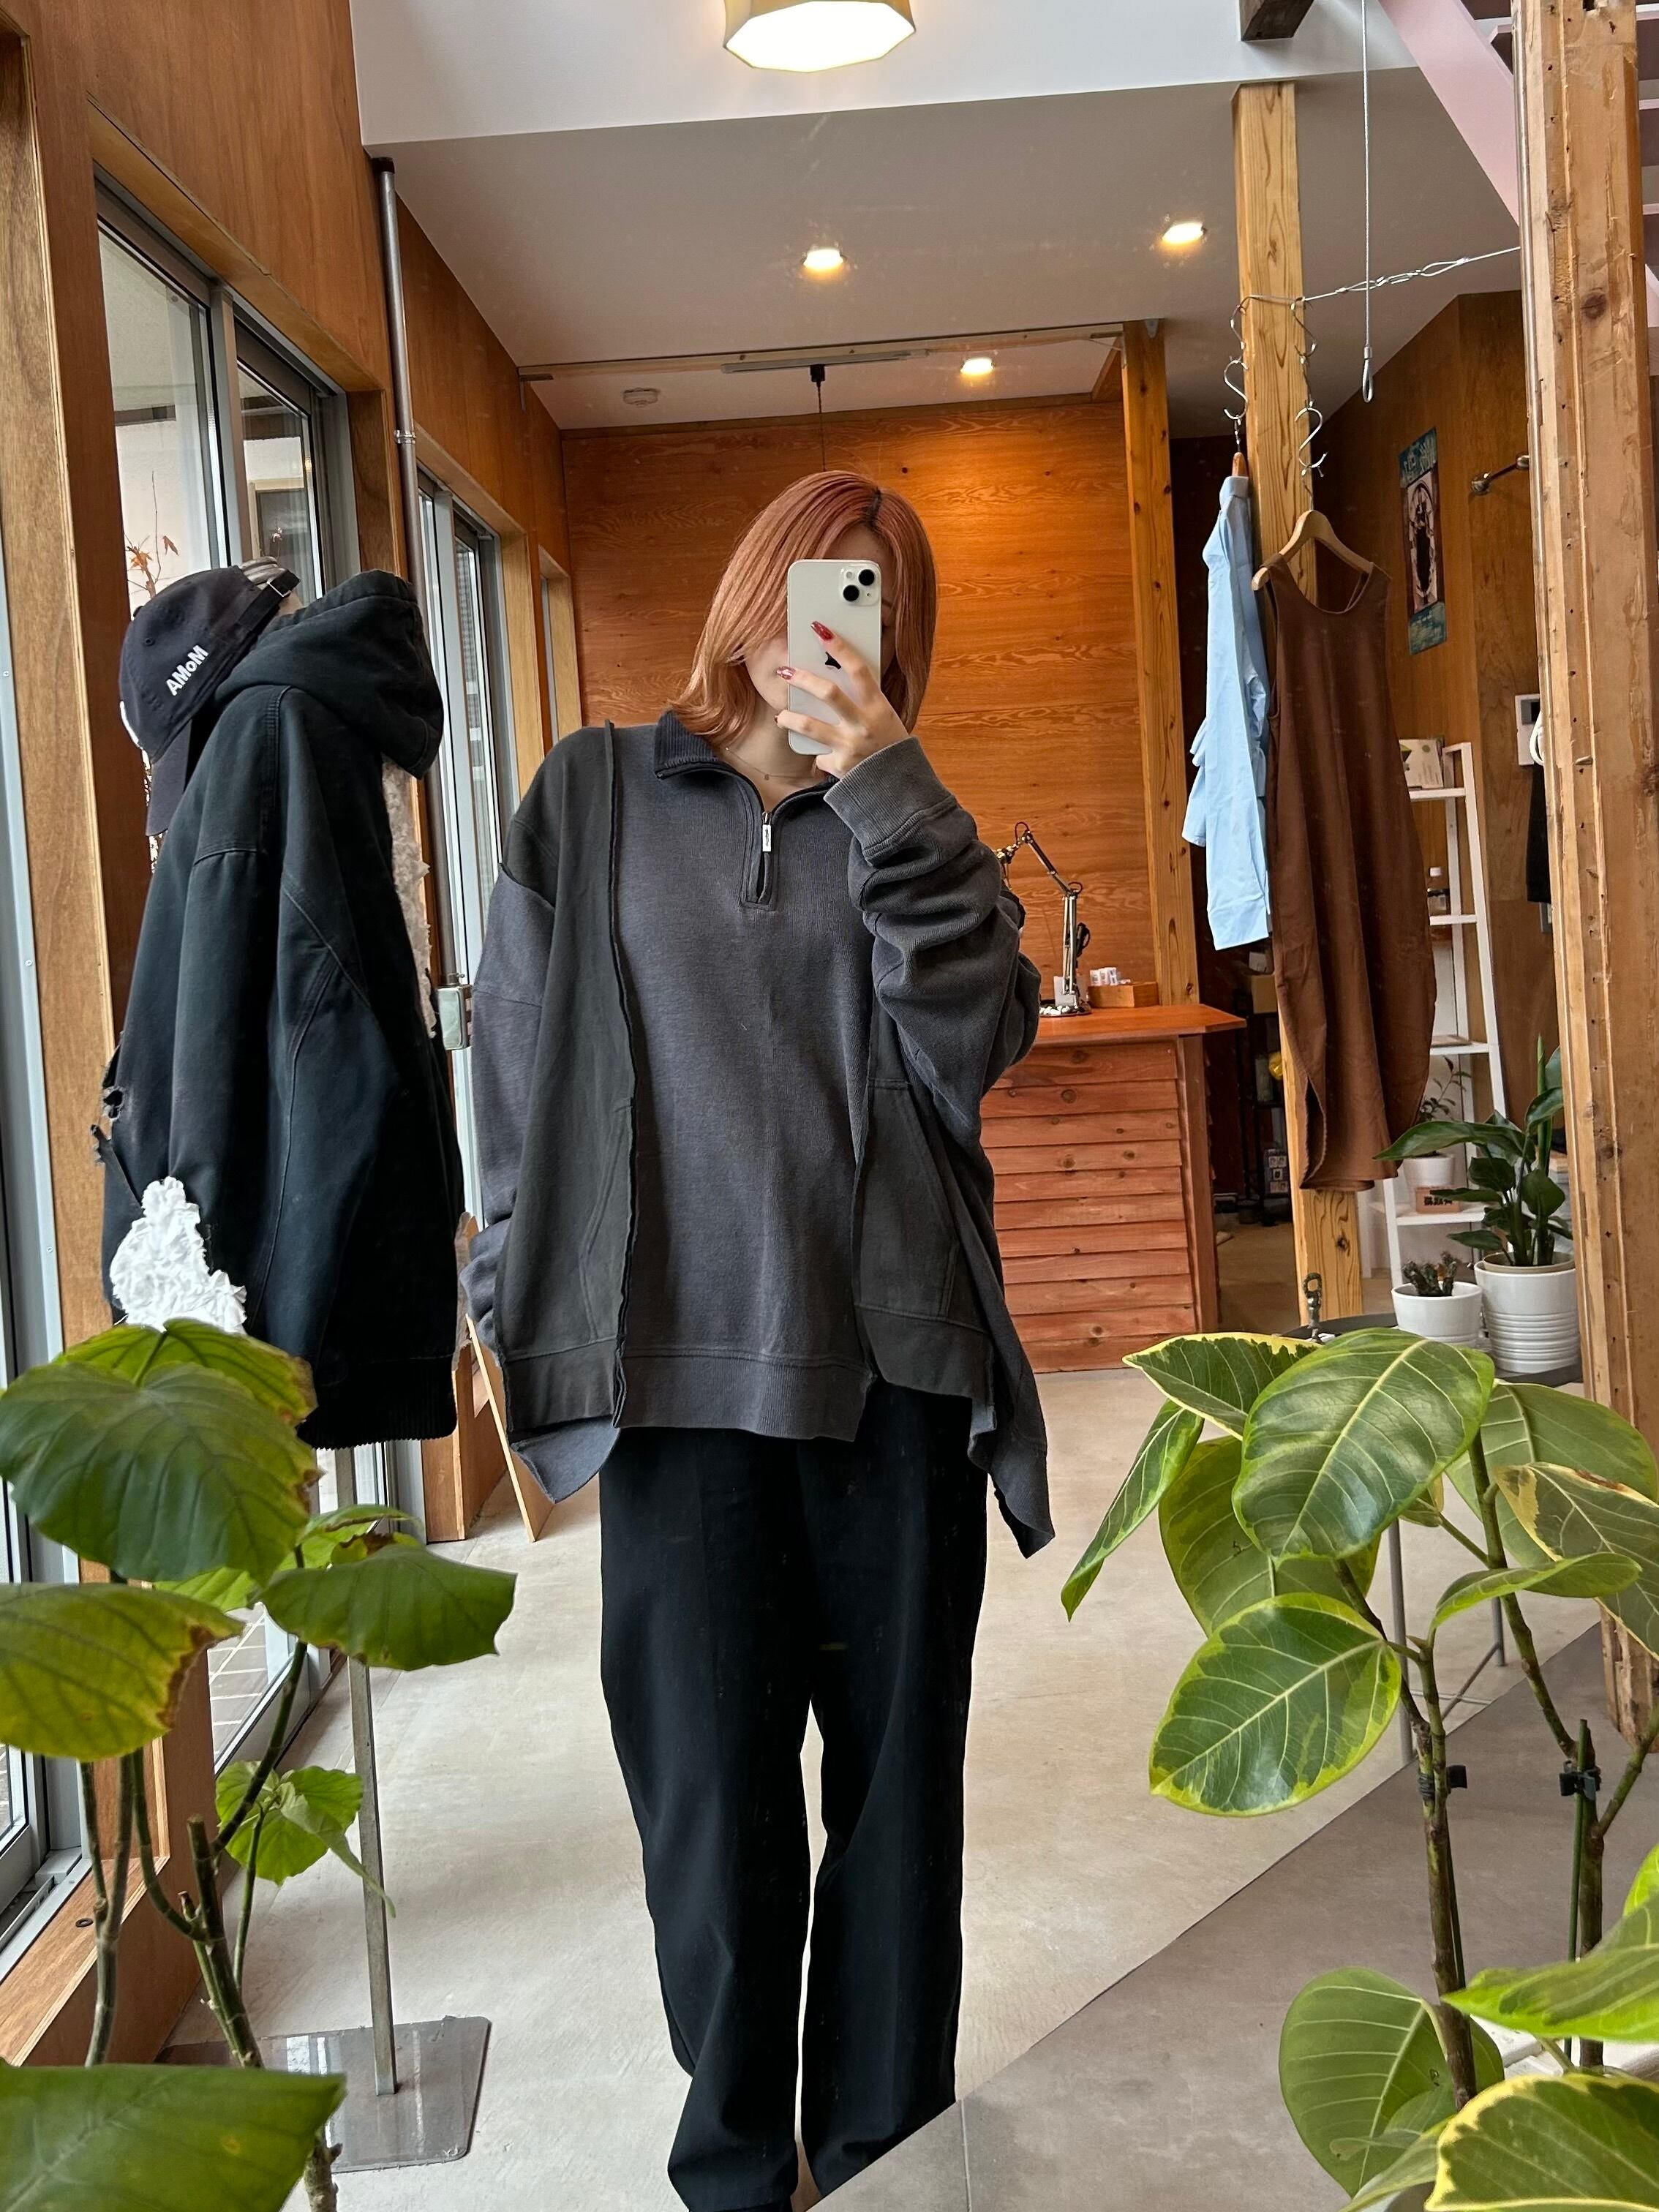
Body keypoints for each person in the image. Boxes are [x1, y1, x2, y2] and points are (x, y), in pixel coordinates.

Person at [463, 471, 1051, 2212]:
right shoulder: (591, 797)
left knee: (897, 1820)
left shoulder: (908, 817)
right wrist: (516, 1297)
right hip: (677, 1385)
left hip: (898, 1380)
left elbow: (982, 1038)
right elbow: (512, 1068)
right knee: (710, 1831)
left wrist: (890, 786)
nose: (832, 629)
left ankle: (878, 2159)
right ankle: (735, 2170)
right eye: (812, 585)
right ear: (747, 590)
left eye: (872, 602)